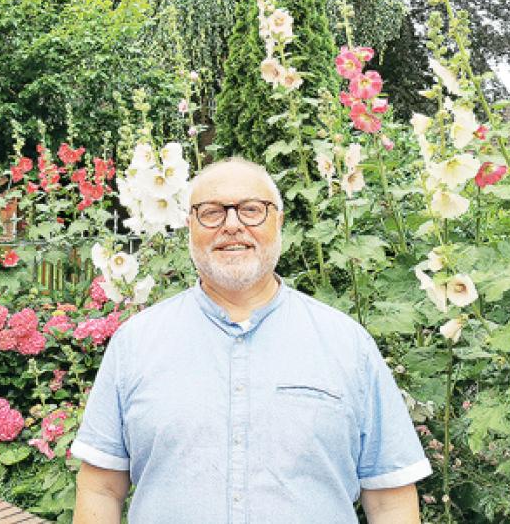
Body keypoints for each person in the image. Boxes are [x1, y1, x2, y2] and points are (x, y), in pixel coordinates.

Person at [70, 158, 431, 523]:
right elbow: (101, 488)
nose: (232, 225)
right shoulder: (136, 343)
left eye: (251, 210)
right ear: (189, 226)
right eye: (211, 212)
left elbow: (390, 500)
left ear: (280, 222)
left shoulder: (347, 344)